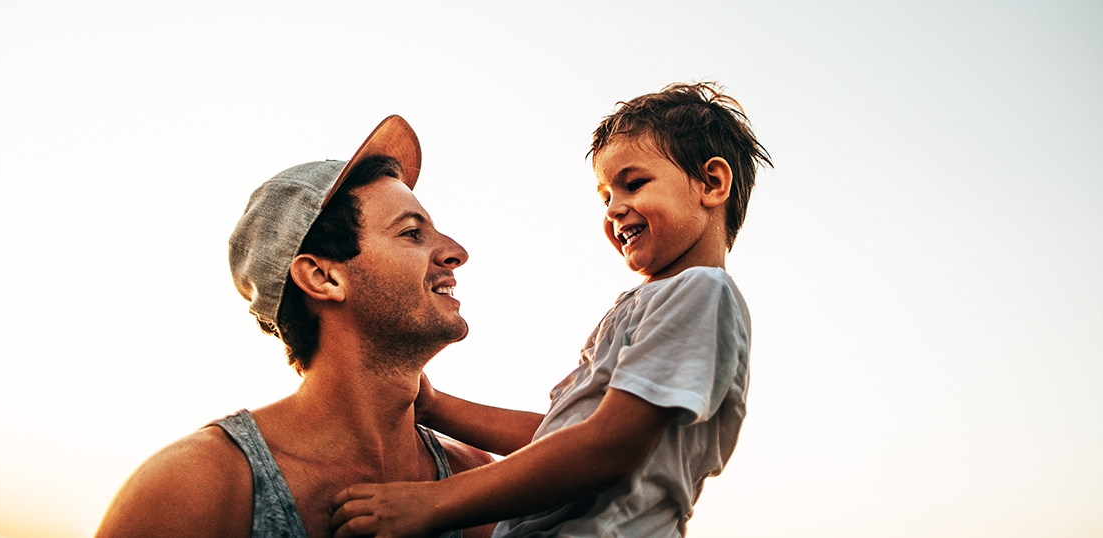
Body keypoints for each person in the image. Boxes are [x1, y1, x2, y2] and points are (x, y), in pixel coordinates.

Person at [330, 82, 772, 537]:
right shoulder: (652, 302)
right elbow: (562, 439)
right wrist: (439, 408)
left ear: (712, 183)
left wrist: (431, 502)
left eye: (634, 184)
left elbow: (606, 450)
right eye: (605, 198)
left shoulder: (700, 292)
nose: (615, 210)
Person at [95, 116, 495, 538]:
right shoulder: (197, 485)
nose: (456, 252)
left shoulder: (472, 475)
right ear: (323, 278)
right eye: (412, 233)